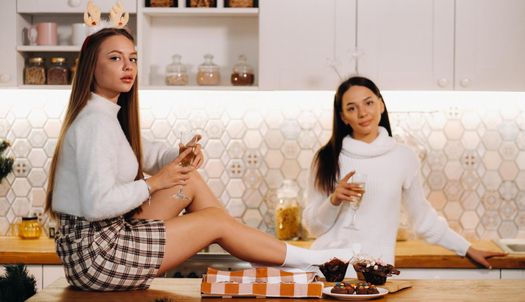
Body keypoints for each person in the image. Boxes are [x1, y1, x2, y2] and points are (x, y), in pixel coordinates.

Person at [44, 27, 353, 292]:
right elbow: (97, 205)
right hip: (96, 256)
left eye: (133, 58)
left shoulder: (107, 116)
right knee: (217, 222)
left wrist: (179, 157)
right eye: (115, 58)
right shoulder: (94, 124)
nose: (128, 66)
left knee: (190, 182)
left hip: (104, 242)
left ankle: (275, 254)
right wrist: (155, 183)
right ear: (91, 68)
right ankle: (311, 260)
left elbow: (147, 154)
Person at [302, 76, 506, 270]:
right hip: (328, 272)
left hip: (374, 274)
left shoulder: (403, 157)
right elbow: (313, 227)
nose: (362, 113)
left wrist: (467, 248)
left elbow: (424, 220)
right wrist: (333, 201)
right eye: (351, 108)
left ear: (381, 104)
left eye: (369, 103)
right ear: (343, 117)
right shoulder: (327, 158)